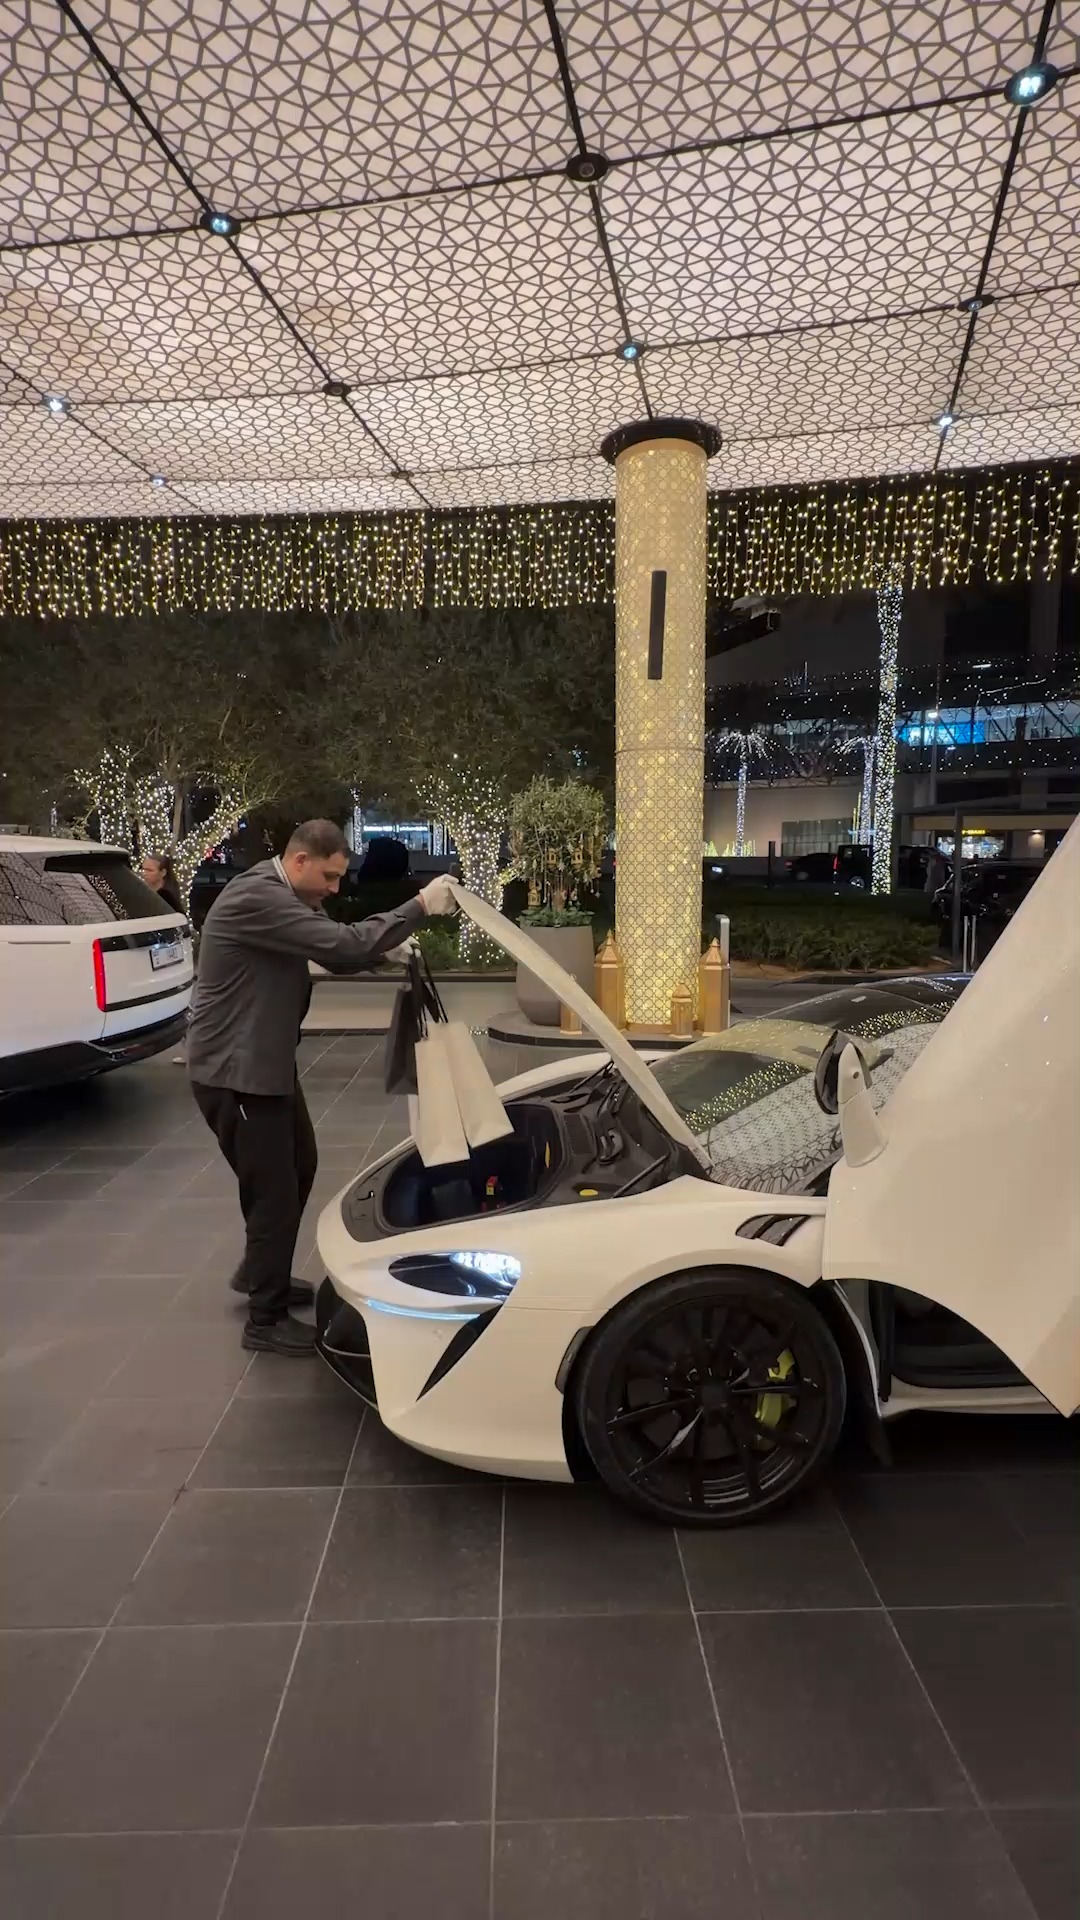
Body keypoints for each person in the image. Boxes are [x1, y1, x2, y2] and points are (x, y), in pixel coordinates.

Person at [186, 818, 456, 1357]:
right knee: (274, 1191)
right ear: (300, 860)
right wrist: (420, 905)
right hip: (235, 1073)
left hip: (263, 1066)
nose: (334, 889)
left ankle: (259, 1270)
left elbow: (337, 952)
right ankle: (264, 1318)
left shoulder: (287, 896)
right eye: (329, 877)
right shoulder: (258, 898)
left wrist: (383, 953)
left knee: (298, 1167)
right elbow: (342, 943)